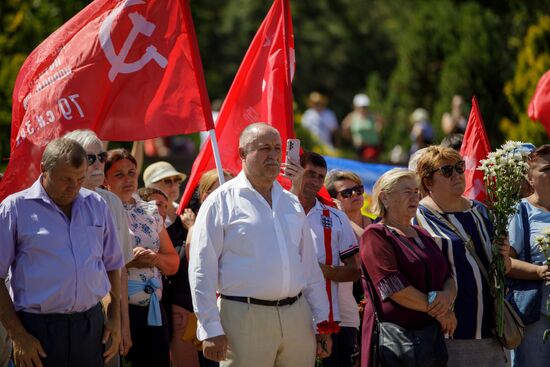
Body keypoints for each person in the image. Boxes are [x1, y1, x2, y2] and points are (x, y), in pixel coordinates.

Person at [189, 123, 332, 366]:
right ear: (243, 154)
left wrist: (322, 321)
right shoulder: (219, 202)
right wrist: (210, 328)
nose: (274, 154)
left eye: (277, 148)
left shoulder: (291, 203)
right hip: (243, 318)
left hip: (297, 317)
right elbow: (202, 270)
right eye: (264, 148)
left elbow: (308, 268)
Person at [0, 138, 123, 367]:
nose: (74, 187)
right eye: (66, 179)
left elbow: (113, 264)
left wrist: (115, 319)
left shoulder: (97, 204)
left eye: (80, 178)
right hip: (36, 332)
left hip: (91, 327)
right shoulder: (14, 209)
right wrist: (18, 336)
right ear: (44, 170)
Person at [414, 145, 511, 367]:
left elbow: (501, 268)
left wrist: (503, 257)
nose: (457, 175)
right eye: (447, 171)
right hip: (449, 332)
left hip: (492, 330)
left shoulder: (481, 211)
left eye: (460, 167)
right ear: (428, 182)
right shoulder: (418, 217)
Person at [360, 168, 457, 367]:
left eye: (416, 192)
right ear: (385, 197)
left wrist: (447, 297)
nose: (415, 197)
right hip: (395, 342)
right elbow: (393, 288)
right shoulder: (376, 235)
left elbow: (447, 275)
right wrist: (441, 312)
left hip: (429, 341)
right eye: (407, 192)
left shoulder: (422, 234)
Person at [64, 129, 135, 365]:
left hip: (105, 318)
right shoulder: (56, 202)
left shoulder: (112, 202)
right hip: (59, 321)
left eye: (101, 157)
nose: (98, 164)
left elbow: (120, 269)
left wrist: (123, 324)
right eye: (90, 157)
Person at [104, 149, 180, 367]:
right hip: (116, 310)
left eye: (132, 173)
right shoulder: (101, 209)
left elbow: (172, 263)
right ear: (106, 179)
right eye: (119, 174)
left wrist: (155, 259)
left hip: (153, 309)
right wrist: (130, 260)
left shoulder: (149, 211)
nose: (127, 179)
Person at [289, 152, 361, 367]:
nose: (315, 181)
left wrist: (319, 270)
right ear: (297, 171)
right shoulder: (275, 209)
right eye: (310, 174)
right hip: (281, 315)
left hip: (327, 320)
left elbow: (353, 271)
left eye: (321, 177)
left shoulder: (336, 217)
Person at [138, 186, 199, 367]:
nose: (163, 211)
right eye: (158, 205)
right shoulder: (133, 234)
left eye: (165, 206)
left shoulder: (176, 232)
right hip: (143, 312)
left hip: (171, 315)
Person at [185, 168, 234, 367]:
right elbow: (200, 275)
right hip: (215, 314)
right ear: (206, 196)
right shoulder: (197, 230)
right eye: (223, 188)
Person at [507, 144, 550, 367]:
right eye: (546, 169)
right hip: (536, 315)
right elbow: (505, 263)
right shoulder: (520, 211)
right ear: (530, 179)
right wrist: (538, 271)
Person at [341, 94, 382, 161]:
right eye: (361, 106)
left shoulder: (372, 115)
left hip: (373, 147)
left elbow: (382, 123)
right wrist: (351, 139)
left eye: (365, 106)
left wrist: (378, 129)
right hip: (358, 148)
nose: (363, 108)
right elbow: (344, 128)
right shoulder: (352, 117)